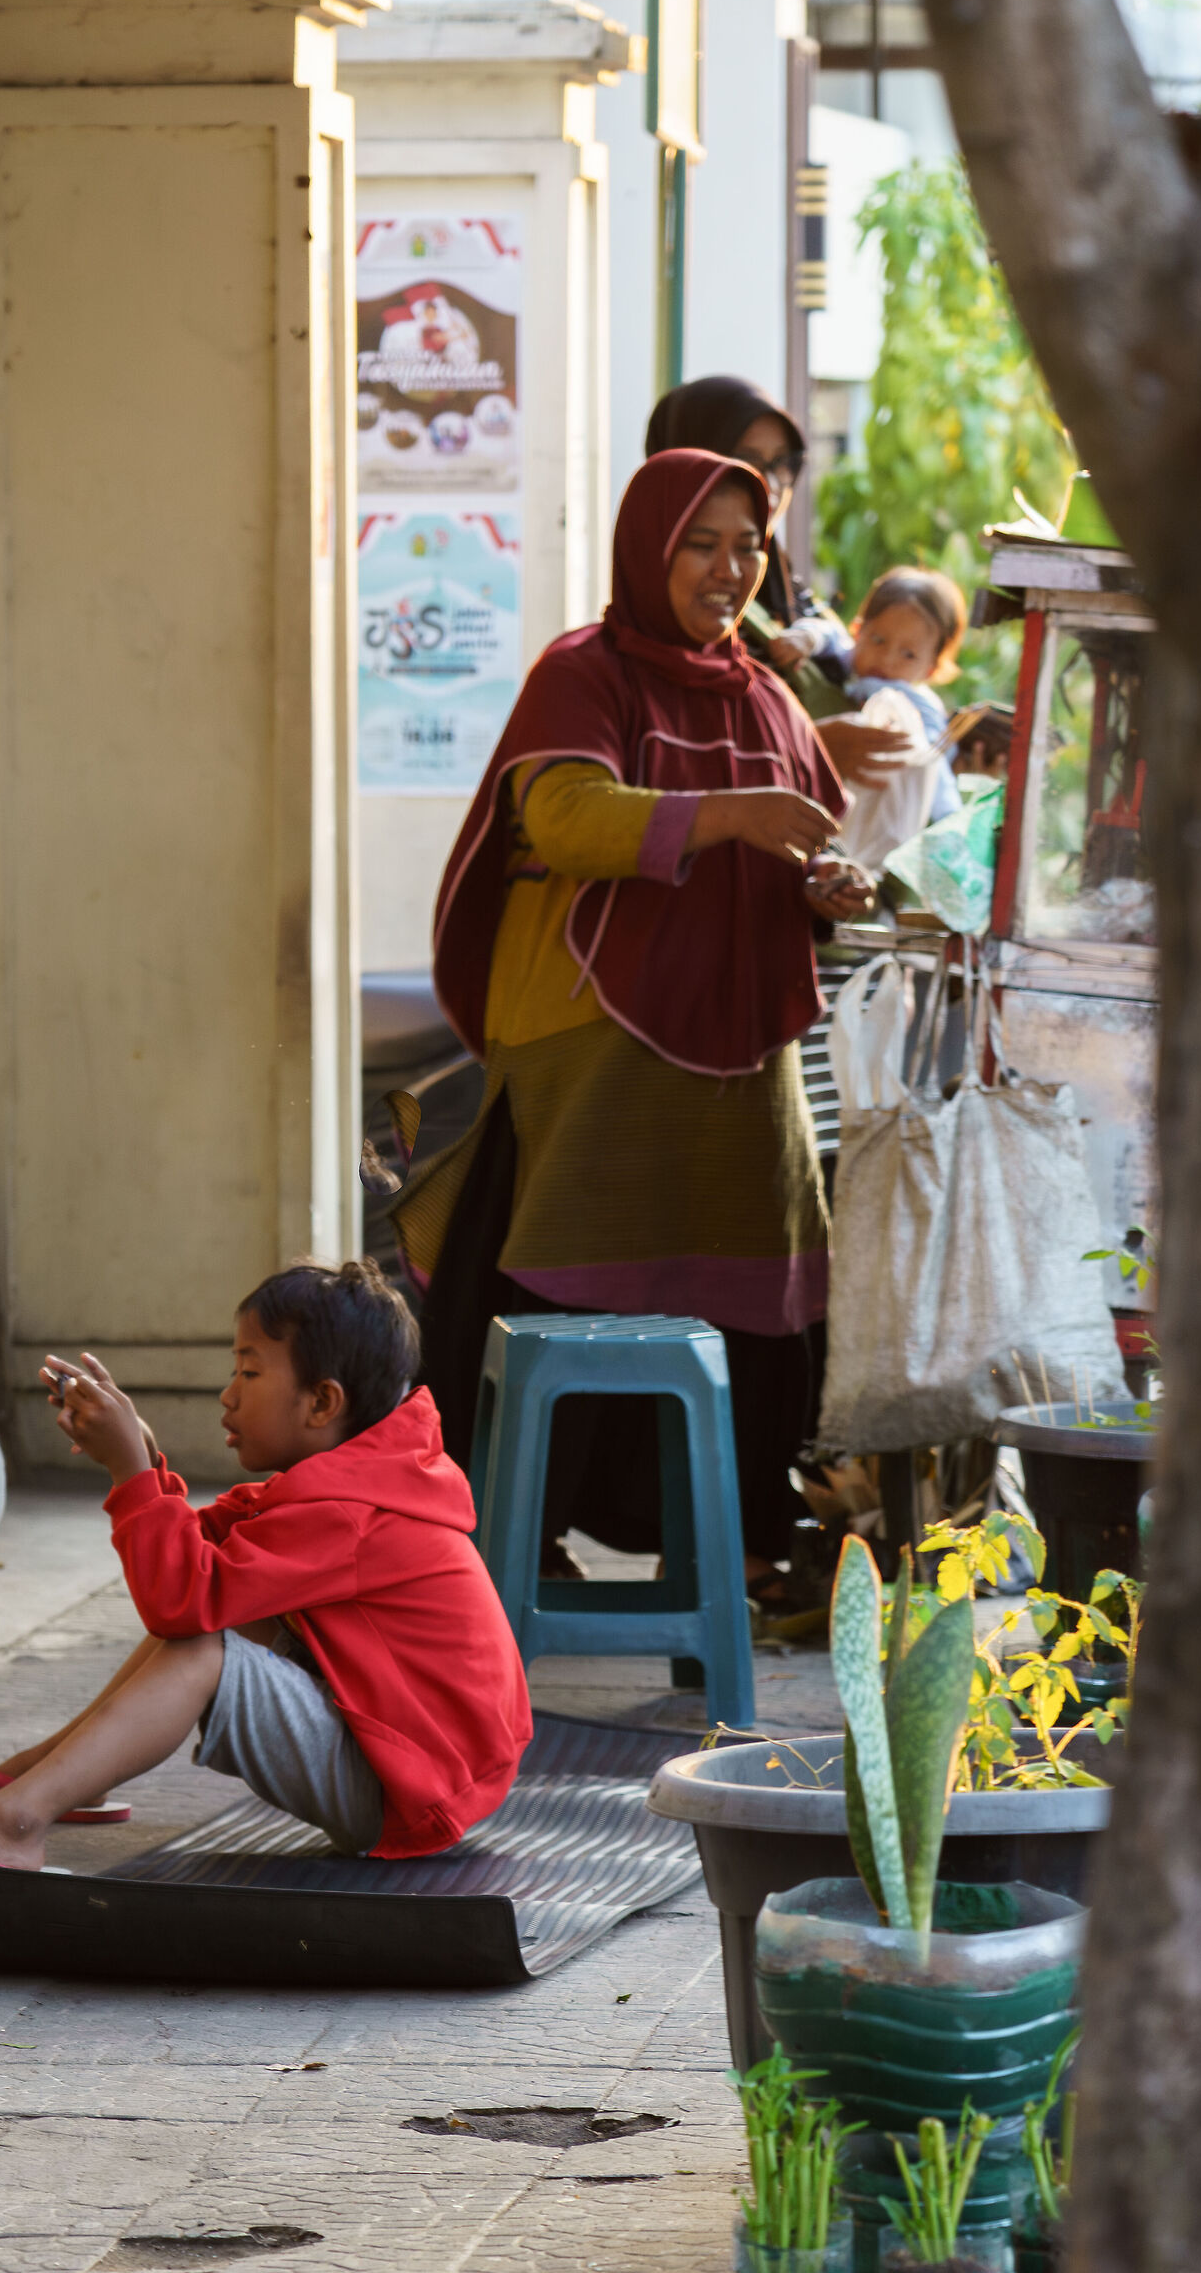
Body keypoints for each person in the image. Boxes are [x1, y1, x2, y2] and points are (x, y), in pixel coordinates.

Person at [393, 451, 875, 1604]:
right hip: (591, 1046)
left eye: (749, 546)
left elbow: (805, 838)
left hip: (740, 1059)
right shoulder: (584, 671)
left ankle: (734, 1549)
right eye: (701, 544)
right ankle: (520, 1540)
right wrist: (729, 815)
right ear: (647, 548)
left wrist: (829, 887)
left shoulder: (764, 689)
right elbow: (560, 816)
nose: (730, 569)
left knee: (759, 1303)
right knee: (561, 1290)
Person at [0, 1260, 532, 1889]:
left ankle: (15, 1823)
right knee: (220, 1611)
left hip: (411, 1788)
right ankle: (60, 1773)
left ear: (322, 1404)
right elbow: (209, 1556)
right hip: (421, 1766)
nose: (227, 1394)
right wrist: (148, 1467)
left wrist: (129, 1477)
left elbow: (182, 1602)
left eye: (250, 1373)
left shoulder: (352, 1512)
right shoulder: (352, 1482)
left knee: (201, 1645)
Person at [645, 374, 913, 797]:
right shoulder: (667, 604)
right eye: (747, 460)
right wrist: (807, 752)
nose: (770, 482)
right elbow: (667, 769)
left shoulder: (779, 583)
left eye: (782, 464)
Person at [846, 565, 971, 822]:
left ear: (930, 668)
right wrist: (809, 638)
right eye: (878, 640)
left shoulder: (917, 706)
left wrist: (949, 823)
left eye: (908, 654)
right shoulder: (849, 666)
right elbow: (830, 637)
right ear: (859, 632)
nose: (887, 659)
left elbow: (934, 767)